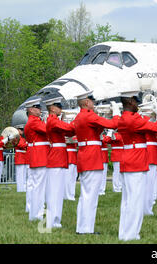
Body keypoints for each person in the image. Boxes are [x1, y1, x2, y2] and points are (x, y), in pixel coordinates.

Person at [117, 90, 157, 241]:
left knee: (127, 200)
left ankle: (124, 233)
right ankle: (131, 234)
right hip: (136, 162)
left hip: (127, 160)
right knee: (135, 200)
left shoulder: (124, 118)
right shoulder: (133, 119)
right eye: (136, 101)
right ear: (131, 101)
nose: (138, 104)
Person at [72, 91, 120, 234]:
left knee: (85, 194)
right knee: (90, 195)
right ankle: (86, 229)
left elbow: (96, 128)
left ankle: (82, 227)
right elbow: (114, 124)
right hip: (92, 157)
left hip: (84, 156)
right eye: (92, 101)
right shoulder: (89, 115)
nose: (94, 103)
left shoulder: (80, 116)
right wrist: (116, 111)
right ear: (86, 102)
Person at [44, 97, 75, 229]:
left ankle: (56, 220)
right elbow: (69, 129)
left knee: (58, 191)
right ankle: (53, 220)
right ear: (52, 108)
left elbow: (69, 130)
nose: (60, 108)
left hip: (59, 157)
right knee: (55, 192)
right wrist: (78, 120)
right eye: (58, 106)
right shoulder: (52, 120)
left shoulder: (55, 120)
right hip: (56, 158)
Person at [24, 98, 50, 221]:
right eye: (37, 107)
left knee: (36, 186)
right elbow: (48, 130)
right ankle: (37, 213)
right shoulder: (34, 122)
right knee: (39, 187)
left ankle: (34, 213)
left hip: (37, 155)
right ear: (31, 110)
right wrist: (51, 120)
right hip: (39, 156)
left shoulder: (34, 121)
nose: (40, 110)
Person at [14, 125, 28, 193]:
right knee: (20, 174)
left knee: (24, 174)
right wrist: (27, 144)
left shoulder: (22, 138)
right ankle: (20, 189)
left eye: (22, 130)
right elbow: (20, 145)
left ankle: (24, 188)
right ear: (17, 130)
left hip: (24, 157)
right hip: (19, 157)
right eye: (21, 130)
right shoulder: (16, 138)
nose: (22, 131)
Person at [65, 136, 78, 200]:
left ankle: (71, 193)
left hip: (73, 154)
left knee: (73, 176)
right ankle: (67, 195)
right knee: (69, 177)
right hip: (68, 153)